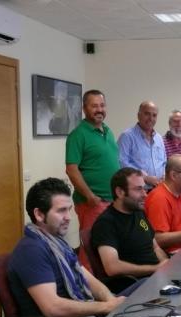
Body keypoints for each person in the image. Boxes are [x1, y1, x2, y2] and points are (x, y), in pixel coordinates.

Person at [8, 178, 126, 317]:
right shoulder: (31, 250)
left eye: (69, 210)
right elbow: (52, 308)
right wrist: (106, 307)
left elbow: (86, 277)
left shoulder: (56, 243)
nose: (68, 217)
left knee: (137, 306)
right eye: (61, 211)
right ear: (39, 214)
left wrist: (110, 300)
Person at [65, 89, 119, 267]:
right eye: (94, 106)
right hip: (92, 203)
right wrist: (89, 196)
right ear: (84, 109)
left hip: (111, 200)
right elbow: (72, 170)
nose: (99, 109)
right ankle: (86, 288)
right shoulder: (78, 135)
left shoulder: (108, 132)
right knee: (91, 249)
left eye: (102, 105)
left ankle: (107, 285)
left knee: (108, 245)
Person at [92, 168, 169, 277]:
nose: (145, 194)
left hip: (156, 277)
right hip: (137, 284)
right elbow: (112, 267)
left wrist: (168, 266)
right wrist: (156, 269)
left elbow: (155, 247)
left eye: (144, 189)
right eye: (138, 189)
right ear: (120, 192)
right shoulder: (106, 223)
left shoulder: (138, 213)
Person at [118, 101, 167, 190]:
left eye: (154, 115)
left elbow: (163, 161)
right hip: (137, 190)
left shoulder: (159, 138)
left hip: (158, 189)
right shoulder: (127, 136)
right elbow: (122, 162)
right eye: (147, 114)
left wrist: (164, 175)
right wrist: (145, 178)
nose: (151, 118)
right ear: (138, 115)